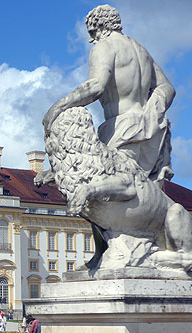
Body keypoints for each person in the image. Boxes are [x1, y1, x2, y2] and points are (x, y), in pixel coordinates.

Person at [38, 4, 176, 270]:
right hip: (145, 127)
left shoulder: (104, 46)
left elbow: (96, 86)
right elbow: (167, 89)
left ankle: (112, 253)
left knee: (104, 190)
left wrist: (56, 108)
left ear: (98, 27)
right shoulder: (141, 50)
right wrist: (151, 115)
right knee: (124, 191)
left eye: (91, 33)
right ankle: (117, 251)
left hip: (119, 126)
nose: (91, 39)